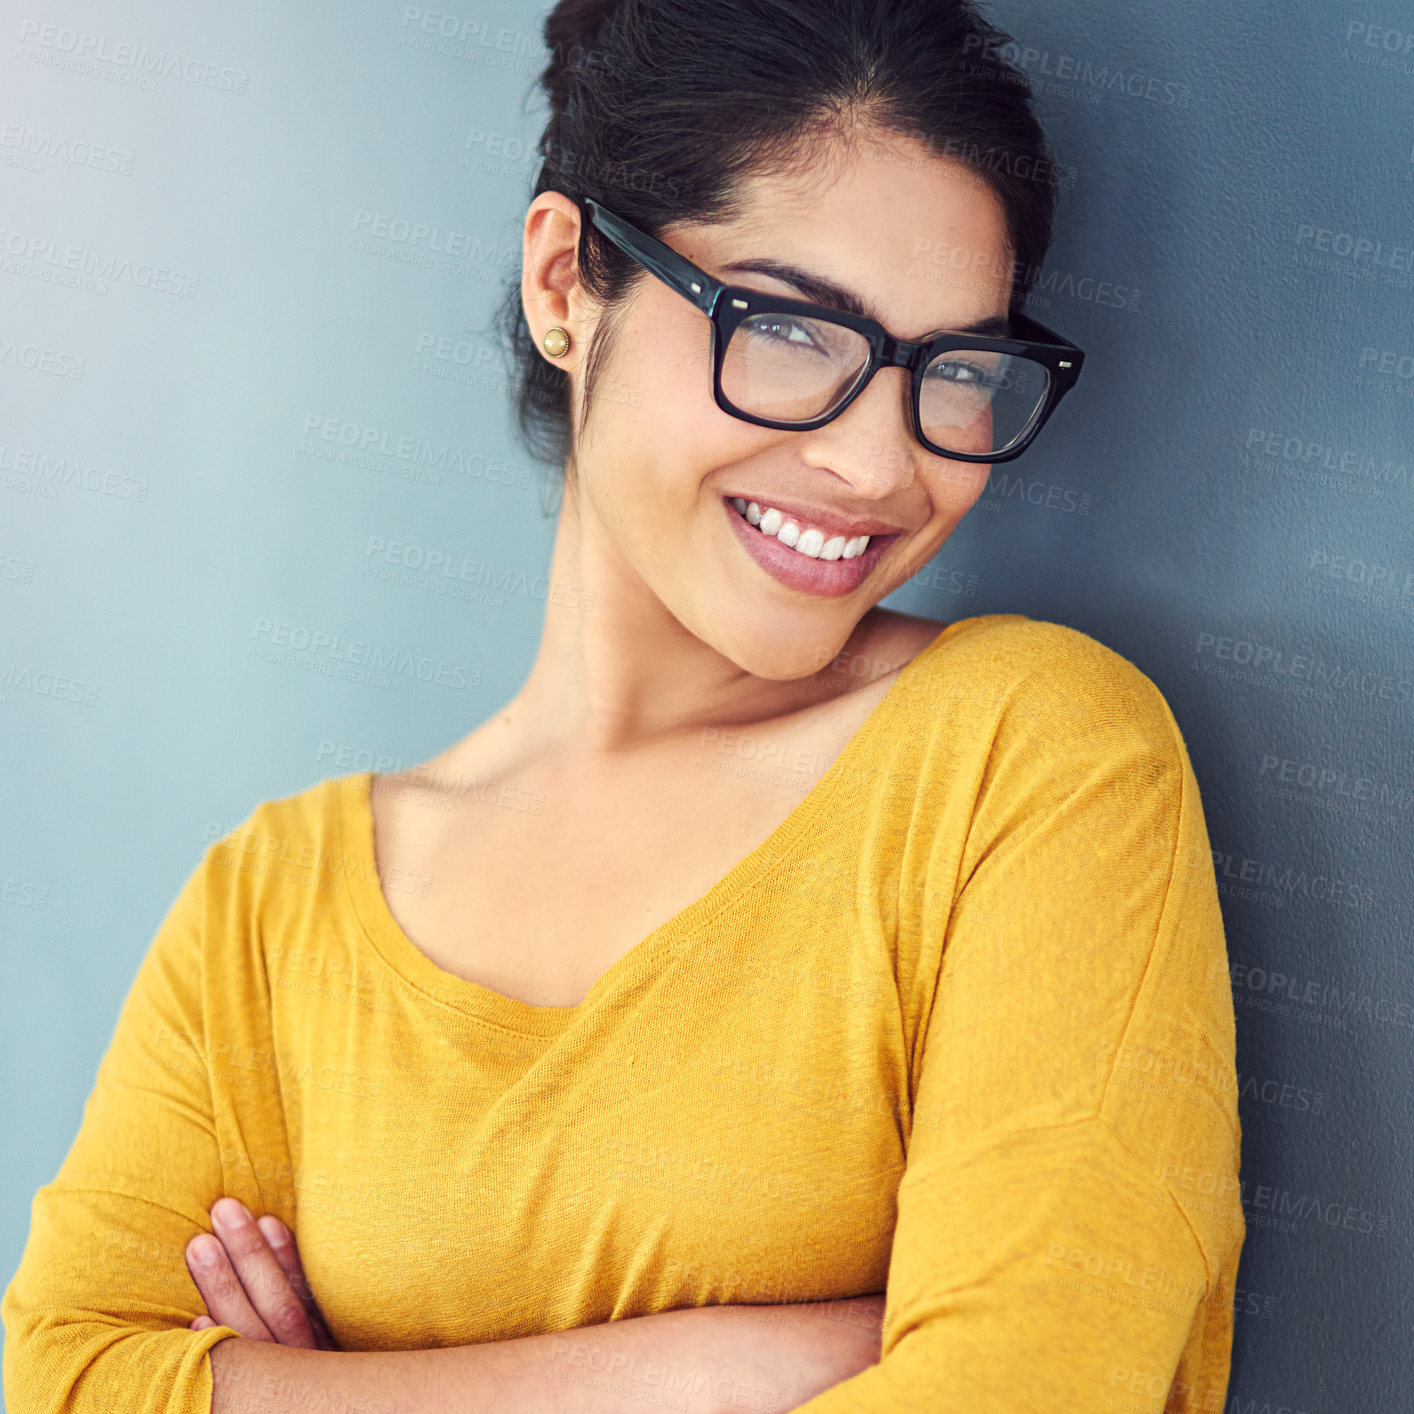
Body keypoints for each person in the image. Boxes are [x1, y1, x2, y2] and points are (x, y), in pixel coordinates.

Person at [2, 1, 1244, 1410]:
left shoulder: (1031, 760)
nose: (878, 464)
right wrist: (716, 1369)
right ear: (562, 282)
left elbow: (1026, 1384)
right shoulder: (269, 916)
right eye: (789, 332)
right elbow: (66, 1373)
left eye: (948, 373)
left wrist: (307, 1392)